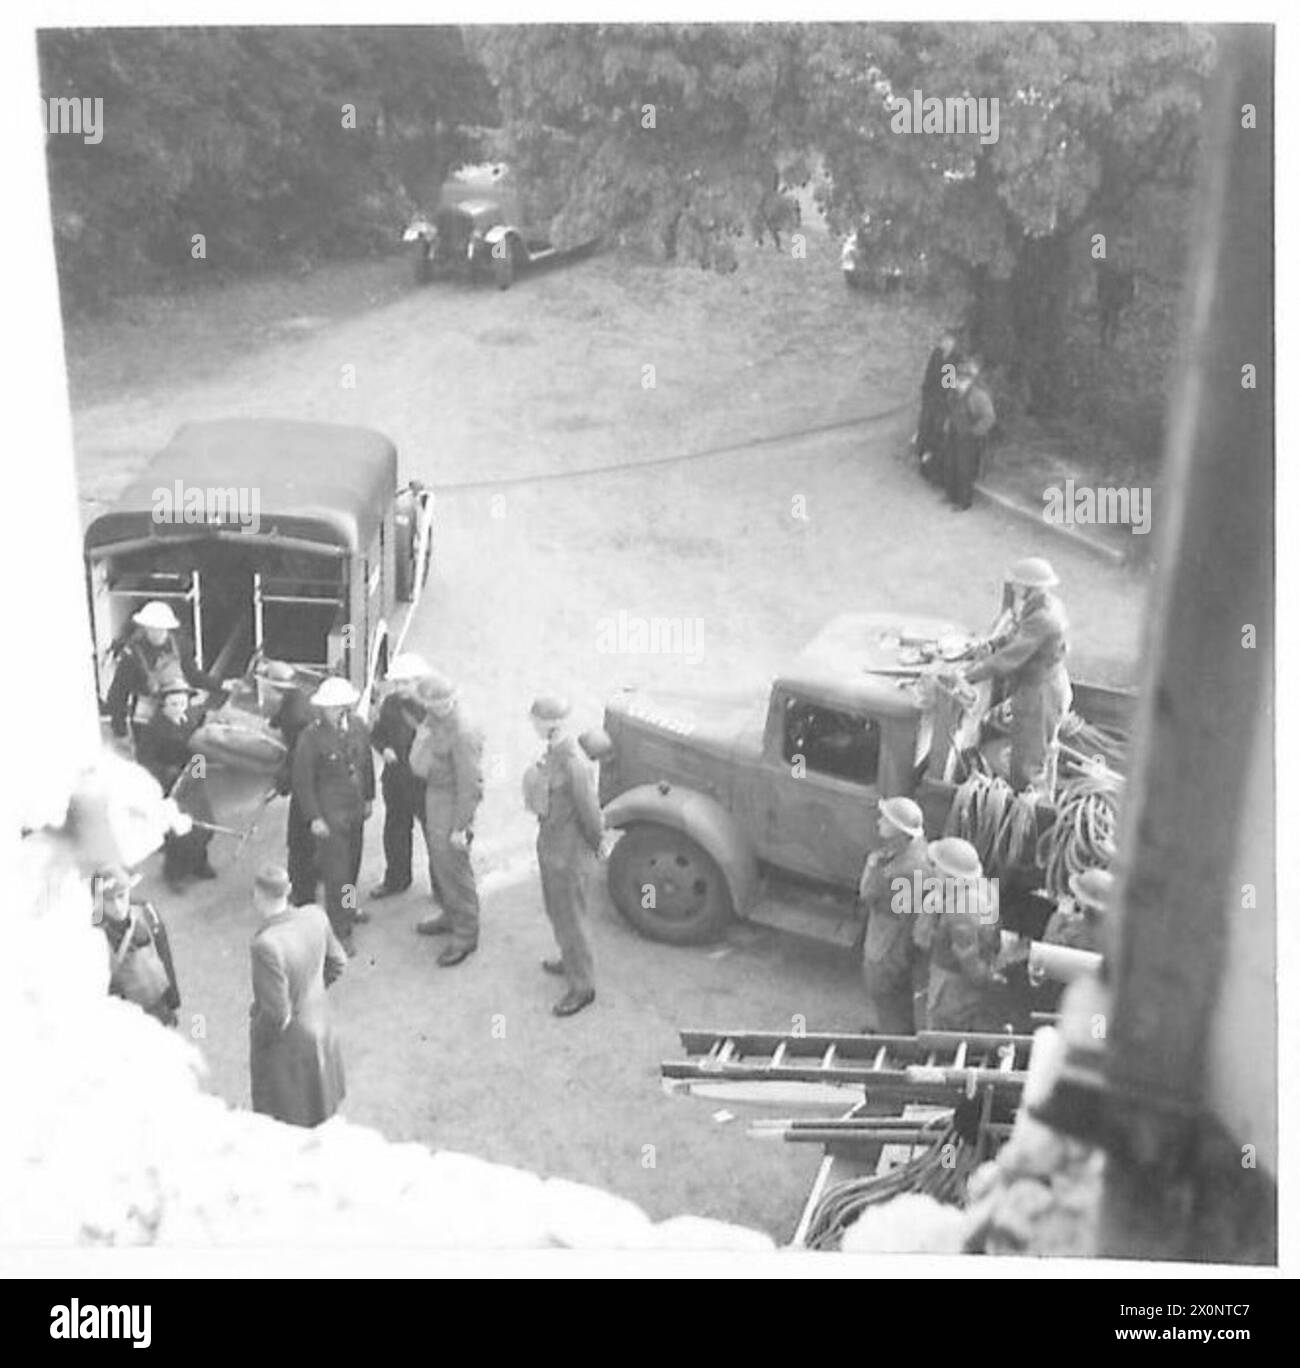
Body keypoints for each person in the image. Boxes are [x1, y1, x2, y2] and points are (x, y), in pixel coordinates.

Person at [962, 557, 1072, 798]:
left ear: (1028, 586)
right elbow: (1018, 635)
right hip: (1045, 684)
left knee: (1028, 763)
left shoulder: (1043, 618)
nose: (1013, 587)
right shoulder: (1044, 605)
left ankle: (1027, 811)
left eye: (1017, 584)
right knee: (1033, 751)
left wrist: (966, 677)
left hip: (1039, 694)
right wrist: (993, 643)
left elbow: (1009, 658)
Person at [248, 863, 347, 1128]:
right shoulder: (315, 916)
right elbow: (338, 962)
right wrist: (310, 993)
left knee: (288, 1119)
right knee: (322, 1108)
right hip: (322, 1026)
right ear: (289, 890)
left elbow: (277, 1015)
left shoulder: (265, 945)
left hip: (290, 1048)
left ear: (257, 894)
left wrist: (257, 1036)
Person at [523, 697, 605, 1017]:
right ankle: (569, 959)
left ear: (552, 724)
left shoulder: (572, 762)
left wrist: (597, 844)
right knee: (557, 911)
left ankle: (583, 986)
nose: (533, 726)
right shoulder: (553, 753)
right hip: (551, 845)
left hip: (569, 854)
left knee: (571, 918)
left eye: (537, 721)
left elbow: (590, 812)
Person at [290, 677, 375, 954]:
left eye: (342, 705)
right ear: (322, 709)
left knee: (351, 868)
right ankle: (340, 931)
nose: (338, 711)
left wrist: (370, 797)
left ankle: (348, 910)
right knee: (336, 873)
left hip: (354, 809)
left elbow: (367, 765)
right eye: (332, 707)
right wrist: (314, 817)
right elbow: (302, 780)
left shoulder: (359, 727)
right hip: (330, 814)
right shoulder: (311, 737)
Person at [411, 672, 484, 966]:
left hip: (453, 802)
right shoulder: (435, 719)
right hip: (435, 796)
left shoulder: (462, 731)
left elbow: (471, 784)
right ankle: (450, 914)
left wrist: (460, 826)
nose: (429, 708)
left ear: (449, 701)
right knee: (440, 864)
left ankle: (466, 934)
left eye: (435, 704)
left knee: (456, 869)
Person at [133, 676, 218, 887]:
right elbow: (144, 760)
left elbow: (199, 751)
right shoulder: (154, 729)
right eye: (173, 704)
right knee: (178, 830)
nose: (179, 708)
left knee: (205, 825)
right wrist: (168, 773)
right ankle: (174, 873)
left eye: (182, 703)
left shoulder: (191, 720)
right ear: (163, 705)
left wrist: (198, 773)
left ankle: (200, 863)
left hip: (191, 780)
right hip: (169, 785)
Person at [857, 796, 931, 1035]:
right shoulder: (920, 852)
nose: (879, 822)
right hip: (904, 936)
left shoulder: (893, 871)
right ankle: (898, 1037)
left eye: (886, 820)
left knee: (884, 992)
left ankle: (896, 1046)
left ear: (899, 831)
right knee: (899, 996)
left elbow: (867, 894)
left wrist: (872, 864)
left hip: (887, 941)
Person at [105, 600, 225, 740]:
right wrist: (119, 729)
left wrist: (220, 684)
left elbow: (192, 676)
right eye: (152, 628)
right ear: (145, 627)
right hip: (146, 722)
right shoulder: (132, 654)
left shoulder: (181, 646)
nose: (156, 632)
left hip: (179, 714)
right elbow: (118, 692)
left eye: (160, 628)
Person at [924, 837, 1010, 1032]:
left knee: (942, 1028)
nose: (933, 871)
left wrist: (984, 979)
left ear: (950, 876)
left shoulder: (961, 910)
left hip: (951, 983)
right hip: (980, 966)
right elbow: (992, 932)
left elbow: (967, 956)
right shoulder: (986, 887)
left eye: (936, 867)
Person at [368, 653, 431, 899]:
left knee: (433, 835)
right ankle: (396, 879)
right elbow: (377, 734)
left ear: (419, 681)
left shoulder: (431, 709)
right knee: (395, 831)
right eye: (397, 683)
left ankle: (442, 888)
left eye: (406, 682)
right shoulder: (391, 704)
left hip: (423, 782)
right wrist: (384, 749)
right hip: (396, 780)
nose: (400, 688)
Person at [94, 868, 181, 1027]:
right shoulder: (93, 934)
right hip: (130, 1015)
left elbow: (163, 954)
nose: (117, 906)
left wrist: (173, 998)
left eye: (121, 896)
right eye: (108, 900)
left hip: (158, 998)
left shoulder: (145, 910)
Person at [266, 667, 318, 907]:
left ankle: (303, 892)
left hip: (308, 783)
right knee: (310, 838)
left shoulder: (295, 716)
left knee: (300, 840)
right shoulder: (297, 698)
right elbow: (279, 720)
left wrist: (282, 783)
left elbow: (297, 756)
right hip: (317, 780)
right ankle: (315, 877)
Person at [942, 357, 997, 510]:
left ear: (969, 381)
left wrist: (975, 432)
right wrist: (948, 424)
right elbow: (951, 410)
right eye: (958, 380)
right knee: (950, 464)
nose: (959, 384)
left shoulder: (978, 397)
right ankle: (951, 495)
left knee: (964, 469)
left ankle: (964, 502)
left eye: (963, 381)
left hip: (970, 438)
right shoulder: (953, 393)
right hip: (954, 433)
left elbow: (989, 417)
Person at [916, 328, 961, 483]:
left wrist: (945, 402)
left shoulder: (953, 360)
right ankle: (922, 458)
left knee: (936, 431)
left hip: (941, 402)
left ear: (953, 343)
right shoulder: (936, 354)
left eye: (949, 341)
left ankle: (932, 467)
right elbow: (929, 374)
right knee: (924, 427)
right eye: (944, 341)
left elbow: (947, 385)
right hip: (930, 398)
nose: (945, 344)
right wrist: (926, 393)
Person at [1043, 867, 1114, 957]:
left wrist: (1060, 916)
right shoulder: (1116, 934)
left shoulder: (1073, 932)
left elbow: (1045, 955)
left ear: (1083, 901)